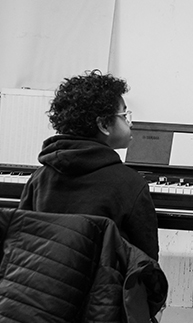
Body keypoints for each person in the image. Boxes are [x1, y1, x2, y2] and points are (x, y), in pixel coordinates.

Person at [19, 69, 159, 261]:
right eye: (125, 115)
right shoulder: (130, 184)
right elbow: (147, 261)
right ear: (103, 125)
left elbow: (22, 240)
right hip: (102, 289)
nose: (130, 123)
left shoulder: (39, 177)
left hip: (45, 287)